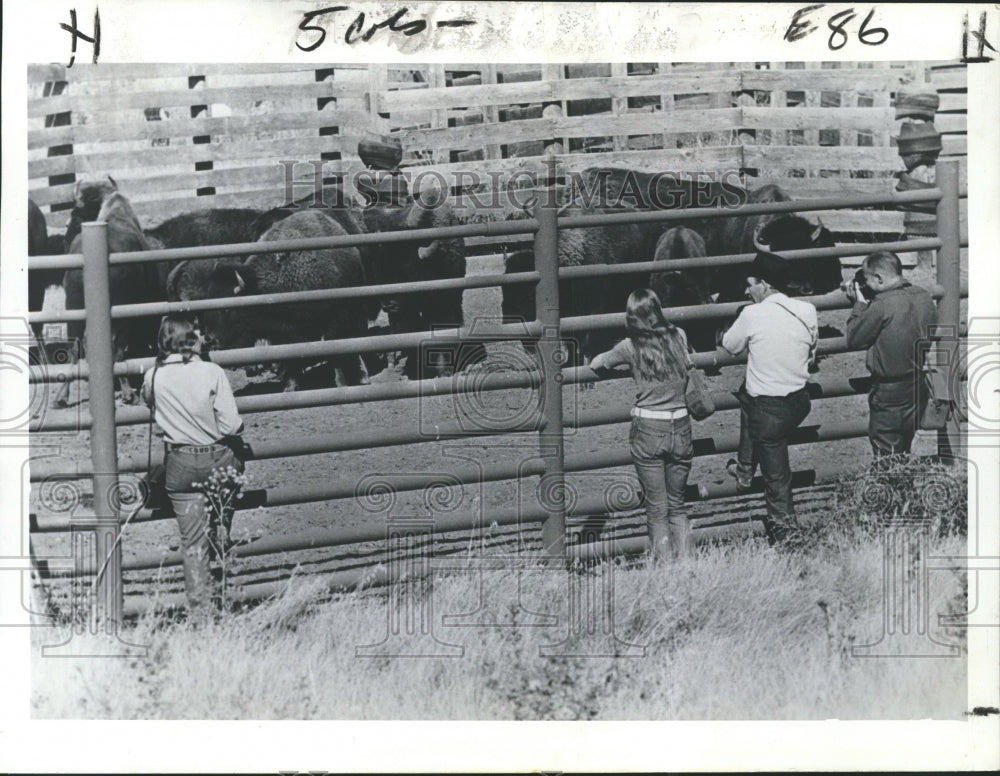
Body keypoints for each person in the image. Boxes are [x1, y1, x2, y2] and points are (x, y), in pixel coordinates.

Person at [142, 314, 246, 616]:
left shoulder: (153, 376)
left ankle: (202, 617)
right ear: (191, 338)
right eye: (197, 331)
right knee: (222, 508)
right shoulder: (212, 371)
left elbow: (147, 401)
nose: (202, 335)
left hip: (181, 464)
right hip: (218, 461)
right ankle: (222, 526)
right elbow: (232, 426)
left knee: (192, 544)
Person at [590, 288, 695, 561]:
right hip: (681, 424)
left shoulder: (628, 346)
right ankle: (688, 566)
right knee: (678, 505)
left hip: (649, 427)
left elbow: (598, 364)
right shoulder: (679, 335)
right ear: (658, 310)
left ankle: (666, 568)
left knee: (657, 509)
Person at [720, 251, 817, 544]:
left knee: (777, 479)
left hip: (768, 412)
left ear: (764, 284)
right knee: (750, 396)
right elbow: (812, 353)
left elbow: (730, 346)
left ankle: (787, 534)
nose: (747, 291)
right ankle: (745, 470)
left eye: (750, 285)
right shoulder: (808, 310)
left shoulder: (752, 313)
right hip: (799, 402)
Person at [844, 250, 937, 458]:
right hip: (917, 385)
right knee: (904, 446)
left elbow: (854, 339)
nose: (866, 286)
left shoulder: (882, 305)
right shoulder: (923, 295)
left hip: (889, 392)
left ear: (879, 278)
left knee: (887, 453)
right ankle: (904, 484)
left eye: (867, 280)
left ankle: (895, 488)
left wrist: (859, 305)